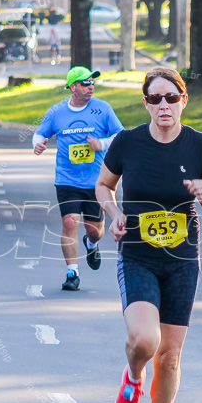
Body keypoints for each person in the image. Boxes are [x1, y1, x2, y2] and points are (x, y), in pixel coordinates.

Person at [95, 66, 202, 403]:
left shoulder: (199, 145)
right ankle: (133, 376)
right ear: (146, 104)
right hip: (137, 255)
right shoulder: (128, 142)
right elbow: (104, 185)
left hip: (183, 263)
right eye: (155, 99)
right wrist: (114, 213)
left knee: (169, 358)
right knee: (144, 340)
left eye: (171, 97)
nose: (164, 106)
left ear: (184, 101)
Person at [33, 66, 124, 291]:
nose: (90, 86)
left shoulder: (103, 109)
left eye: (92, 82)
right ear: (73, 87)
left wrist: (100, 144)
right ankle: (72, 272)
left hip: (97, 181)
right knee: (69, 221)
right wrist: (37, 143)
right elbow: (40, 132)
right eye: (85, 83)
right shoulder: (57, 112)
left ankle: (91, 244)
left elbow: (121, 135)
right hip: (66, 179)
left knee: (95, 230)